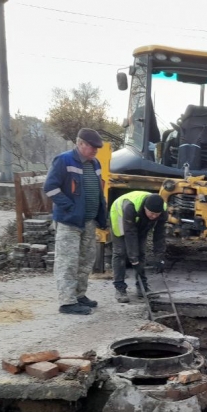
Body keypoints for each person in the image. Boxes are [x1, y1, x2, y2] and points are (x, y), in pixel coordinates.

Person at [43, 128, 108, 315]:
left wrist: (101, 216)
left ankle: (79, 295)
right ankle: (67, 302)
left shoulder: (95, 163)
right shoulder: (63, 160)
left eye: (97, 148)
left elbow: (98, 191)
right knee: (68, 262)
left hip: (88, 221)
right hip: (69, 221)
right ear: (80, 144)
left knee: (86, 260)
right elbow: (50, 187)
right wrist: (70, 207)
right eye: (92, 147)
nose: (95, 151)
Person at [109, 191, 168, 302]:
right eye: (151, 213)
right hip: (120, 217)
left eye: (157, 214)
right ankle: (120, 288)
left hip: (140, 221)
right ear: (145, 208)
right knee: (120, 252)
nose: (154, 216)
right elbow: (130, 233)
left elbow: (160, 235)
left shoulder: (163, 211)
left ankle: (142, 287)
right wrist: (133, 258)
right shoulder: (131, 206)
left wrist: (159, 258)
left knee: (141, 252)